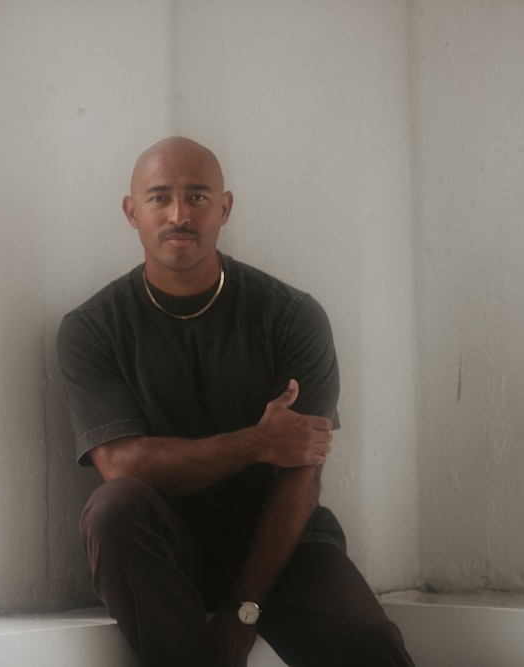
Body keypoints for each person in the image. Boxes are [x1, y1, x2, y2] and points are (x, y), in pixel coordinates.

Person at [57, 136, 415, 667]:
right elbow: (126, 468)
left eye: (197, 197)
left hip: (284, 542)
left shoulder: (291, 316)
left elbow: (300, 476)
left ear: (224, 207)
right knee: (112, 510)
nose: (179, 214)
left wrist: (242, 608)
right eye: (159, 198)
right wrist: (257, 443)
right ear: (131, 212)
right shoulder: (92, 328)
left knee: (367, 642)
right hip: (168, 547)